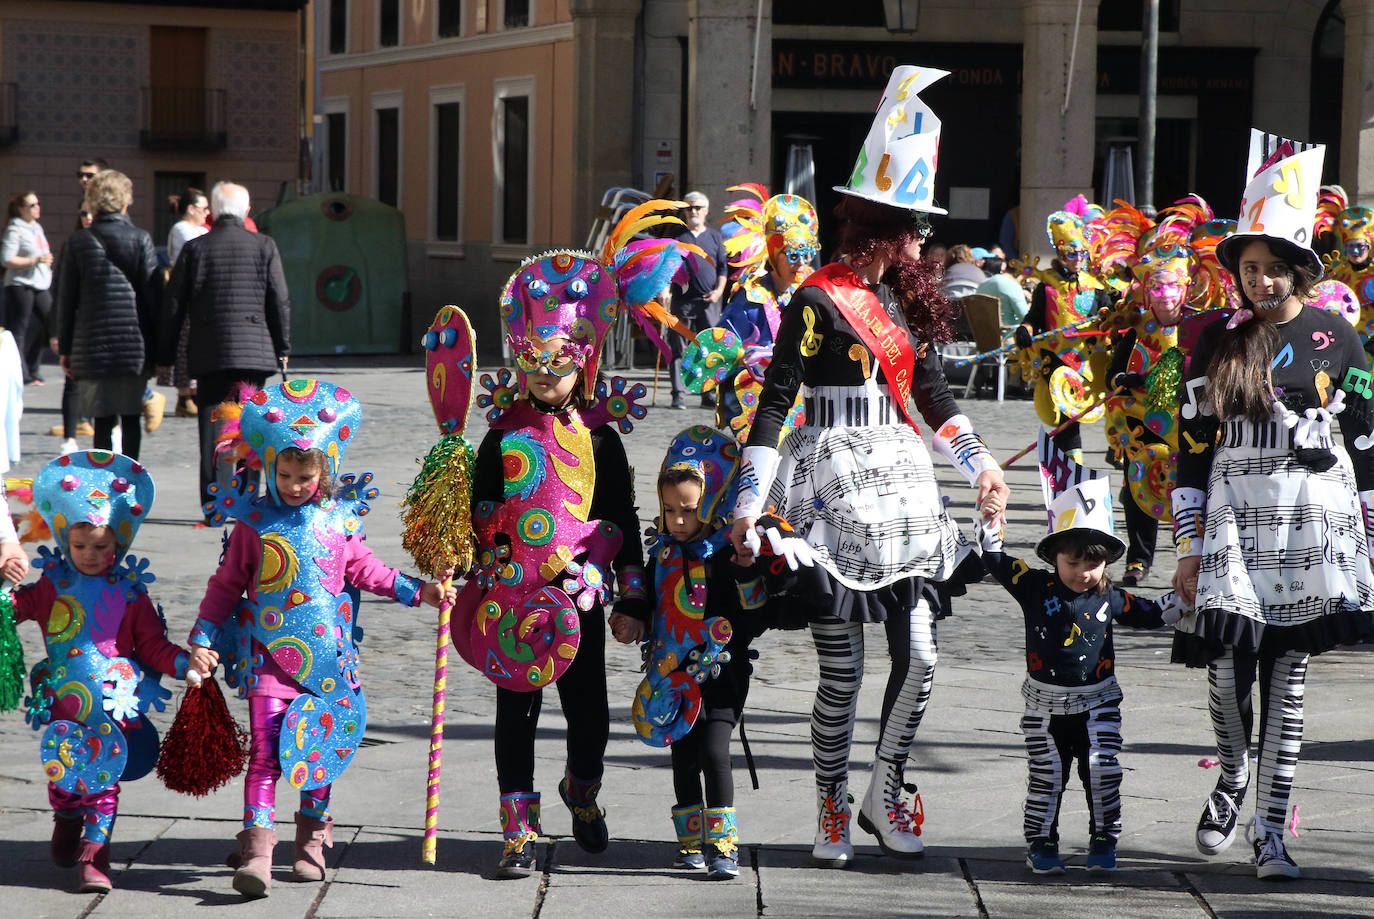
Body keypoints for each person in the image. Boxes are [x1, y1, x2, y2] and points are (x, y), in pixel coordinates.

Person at [729, 66, 1010, 867]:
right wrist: (749, 505)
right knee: (843, 669)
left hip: (906, 495)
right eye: (915, 227)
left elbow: (933, 392)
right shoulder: (818, 300)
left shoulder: (905, 305)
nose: (924, 240)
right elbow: (774, 404)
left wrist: (981, 464)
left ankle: (885, 790)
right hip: (830, 493)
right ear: (884, 225)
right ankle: (829, 802)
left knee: (921, 655)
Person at [1171, 132, 1374, 881]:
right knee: (1226, 672)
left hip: (1309, 529)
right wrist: (1188, 544)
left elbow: (1370, 439)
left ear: (1297, 269)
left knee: (1288, 682)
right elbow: (1189, 446)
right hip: (1230, 521)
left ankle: (1270, 830)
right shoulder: (1212, 342)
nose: (1258, 279)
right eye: (1247, 267)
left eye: (1269, 266)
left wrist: (1372, 544)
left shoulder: (1340, 338)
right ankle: (1230, 777)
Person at [451, 223, 681, 876]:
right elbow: (481, 511)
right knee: (514, 714)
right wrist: (467, 551)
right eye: (534, 364)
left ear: (581, 360)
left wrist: (631, 595)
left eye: (558, 364)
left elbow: (621, 519)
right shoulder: (500, 436)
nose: (546, 377)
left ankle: (582, 790)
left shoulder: (602, 440)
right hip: (512, 598)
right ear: (519, 363)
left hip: (579, 596)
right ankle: (517, 830)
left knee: (588, 718)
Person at [186, 379, 454, 899]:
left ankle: (311, 842)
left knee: (318, 750)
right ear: (269, 468)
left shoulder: (337, 521)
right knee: (264, 755)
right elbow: (225, 587)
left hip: (328, 663)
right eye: (283, 474)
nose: (292, 484)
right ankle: (259, 853)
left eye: (304, 476)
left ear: (325, 470)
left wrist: (420, 592)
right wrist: (202, 636)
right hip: (268, 660)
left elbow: (368, 571)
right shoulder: (254, 524)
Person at [976, 477, 1176, 875]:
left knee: (1102, 770)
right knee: (1047, 775)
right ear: (1055, 557)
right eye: (1073, 563)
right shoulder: (1033, 585)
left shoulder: (1109, 595)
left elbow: (1152, 614)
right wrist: (992, 519)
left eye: (1093, 564)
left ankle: (1104, 838)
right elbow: (995, 560)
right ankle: (1041, 840)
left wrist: (1186, 596)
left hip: (1099, 701)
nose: (1083, 573)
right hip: (1044, 706)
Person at [11, 452, 187, 893]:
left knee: (103, 783)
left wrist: (185, 663)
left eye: (101, 547)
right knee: (66, 779)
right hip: (64, 706)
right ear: (64, 542)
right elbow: (14, 608)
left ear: (118, 545)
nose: (90, 555)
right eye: (81, 546)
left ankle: (96, 859)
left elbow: (152, 645)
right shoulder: (53, 586)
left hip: (114, 704)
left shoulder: (130, 593)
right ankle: (67, 815)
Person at [623, 430, 767, 881]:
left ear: (710, 505)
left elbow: (755, 611)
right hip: (669, 672)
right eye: (670, 511)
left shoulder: (727, 553)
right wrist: (633, 618)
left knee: (714, 751)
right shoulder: (662, 554)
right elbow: (645, 599)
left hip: (721, 671)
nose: (679, 521)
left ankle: (723, 843)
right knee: (682, 753)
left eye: (688, 510)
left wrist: (748, 578)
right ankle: (690, 844)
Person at [162, 181, 290, 521]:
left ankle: (214, 506)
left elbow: (173, 305)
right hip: (253, 352)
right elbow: (279, 299)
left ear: (213, 212)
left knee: (211, 427)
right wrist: (283, 346)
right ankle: (248, 502)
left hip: (209, 351)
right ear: (247, 211)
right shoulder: (264, 246)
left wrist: (165, 353)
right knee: (251, 426)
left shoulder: (196, 249)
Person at [54, 170, 161, 460]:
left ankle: (103, 482)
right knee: (130, 416)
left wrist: (65, 348)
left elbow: (66, 300)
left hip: (92, 343)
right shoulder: (140, 239)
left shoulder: (78, 242)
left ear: (93, 201)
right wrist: (160, 350)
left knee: (101, 420)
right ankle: (131, 478)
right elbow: (153, 298)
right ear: (126, 200)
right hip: (133, 344)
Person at [1014, 198, 1115, 462]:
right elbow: (1033, 317)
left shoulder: (1097, 286)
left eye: (1082, 253)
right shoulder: (1046, 285)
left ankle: (1066, 461)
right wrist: (1024, 330)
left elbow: (1110, 319)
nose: (1078, 259)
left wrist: (1109, 322)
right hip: (1054, 358)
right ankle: (1072, 465)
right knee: (1066, 417)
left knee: (1072, 418)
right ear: (1060, 254)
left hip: (1086, 361)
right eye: (1072, 254)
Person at [719, 191, 819, 346]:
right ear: (774, 256)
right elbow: (724, 349)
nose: (801, 263)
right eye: (793, 255)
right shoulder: (751, 299)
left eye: (807, 255)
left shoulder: (808, 292)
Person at [669, 191, 729, 409]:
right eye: (689, 208)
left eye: (697, 208)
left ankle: (708, 393)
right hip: (682, 300)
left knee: (709, 348)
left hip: (709, 300)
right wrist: (664, 290)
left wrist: (719, 291)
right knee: (678, 348)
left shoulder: (715, 237)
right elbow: (667, 266)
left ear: (706, 211)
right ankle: (678, 393)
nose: (692, 212)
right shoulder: (677, 237)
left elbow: (723, 268)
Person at [164, 186, 208, 418]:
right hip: (186, 291)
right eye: (203, 208)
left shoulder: (201, 229)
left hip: (200, 293)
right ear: (191, 209)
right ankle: (184, 396)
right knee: (184, 345)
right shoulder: (181, 229)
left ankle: (195, 392)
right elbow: (200, 251)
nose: (207, 213)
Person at [2, 190, 53, 385]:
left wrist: (45, 260)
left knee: (50, 321)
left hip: (40, 282)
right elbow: (7, 259)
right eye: (32, 205)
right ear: (21, 209)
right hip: (20, 284)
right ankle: (21, 372)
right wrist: (35, 260)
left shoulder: (36, 228)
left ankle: (32, 365)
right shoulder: (15, 229)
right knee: (19, 328)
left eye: (38, 204)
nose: (37, 208)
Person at [975, 255, 1029, 326]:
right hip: (1009, 334)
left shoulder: (981, 286)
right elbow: (1025, 317)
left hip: (984, 334)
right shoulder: (1011, 285)